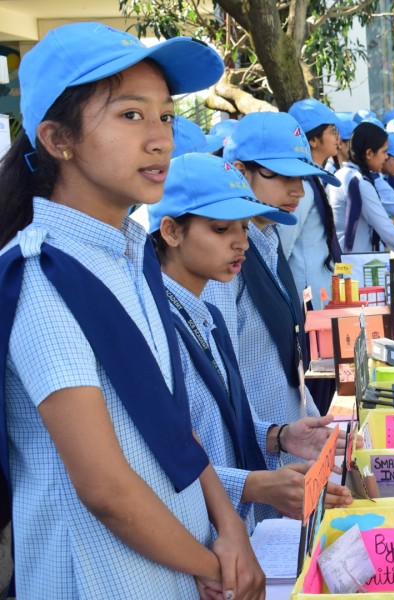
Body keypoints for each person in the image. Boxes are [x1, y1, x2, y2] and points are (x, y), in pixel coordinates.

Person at [0, 22, 264, 598]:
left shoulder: (131, 259)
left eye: (165, 116)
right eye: (130, 115)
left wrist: (230, 529)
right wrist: (212, 564)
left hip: (177, 568)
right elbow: (105, 489)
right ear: (58, 138)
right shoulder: (43, 278)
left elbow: (172, 424)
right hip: (100, 579)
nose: (160, 139)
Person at [148, 153, 352, 530]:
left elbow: (219, 427)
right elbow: (160, 463)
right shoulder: (154, 327)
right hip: (196, 535)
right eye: (221, 229)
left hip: (229, 528)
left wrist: (279, 436)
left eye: (243, 227)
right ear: (172, 232)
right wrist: (256, 485)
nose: (241, 242)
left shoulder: (205, 316)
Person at [207, 111, 334, 458]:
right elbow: (221, 379)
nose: (298, 190)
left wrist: (310, 419)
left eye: (302, 178)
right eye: (281, 175)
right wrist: (271, 438)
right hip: (257, 456)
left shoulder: (269, 237)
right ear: (239, 171)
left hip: (287, 445)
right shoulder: (223, 261)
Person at [283, 98, 344, 310]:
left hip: (320, 285)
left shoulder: (316, 179)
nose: (338, 138)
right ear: (313, 140)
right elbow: (284, 245)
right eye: (332, 131)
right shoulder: (302, 187)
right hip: (306, 291)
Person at [329, 122, 394, 252]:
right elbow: (391, 235)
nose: (386, 157)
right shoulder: (360, 183)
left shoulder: (341, 174)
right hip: (354, 260)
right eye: (384, 152)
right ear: (369, 153)